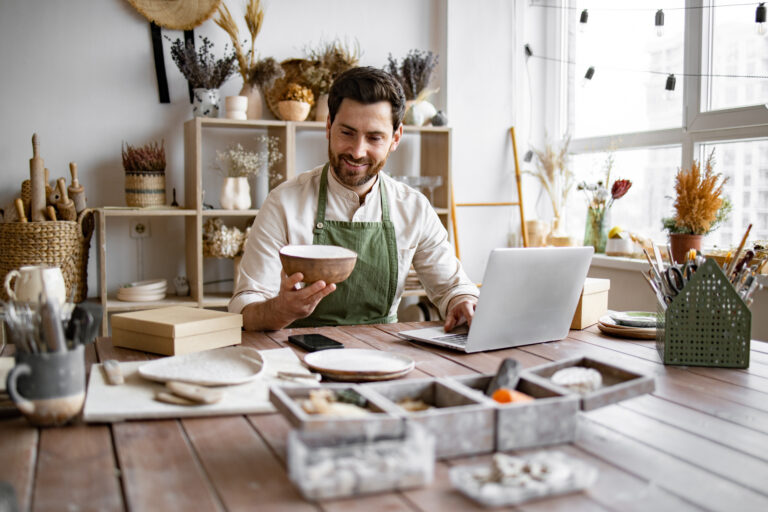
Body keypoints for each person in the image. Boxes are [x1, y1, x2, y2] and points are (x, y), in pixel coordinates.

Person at [229, 66, 478, 331]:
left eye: (374, 137)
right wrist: (279, 310)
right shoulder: (284, 203)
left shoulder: (413, 208)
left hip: (385, 355)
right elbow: (245, 307)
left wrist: (462, 301)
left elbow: (453, 287)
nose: (358, 151)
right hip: (301, 356)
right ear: (328, 126)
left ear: (395, 138)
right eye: (347, 133)